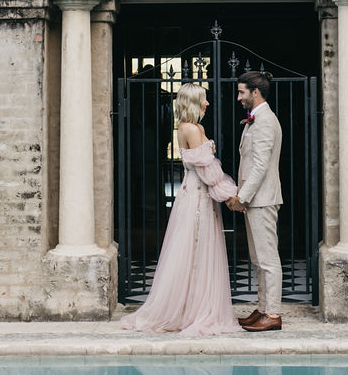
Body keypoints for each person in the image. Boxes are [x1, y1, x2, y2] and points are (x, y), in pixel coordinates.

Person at [121, 83, 241, 336]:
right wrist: (230, 194)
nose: (208, 104)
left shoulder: (197, 128)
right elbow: (207, 170)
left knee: (199, 250)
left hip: (199, 194)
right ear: (194, 103)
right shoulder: (190, 129)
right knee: (194, 249)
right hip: (197, 196)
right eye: (204, 100)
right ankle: (192, 310)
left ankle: (193, 305)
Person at [226, 70, 283, 332]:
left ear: (255, 92)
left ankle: (272, 313)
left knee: (268, 258)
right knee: (258, 258)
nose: (239, 98)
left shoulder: (265, 121)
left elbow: (260, 165)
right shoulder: (256, 120)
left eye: (241, 92)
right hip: (255, 200)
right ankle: (262, 308)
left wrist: (242, 196)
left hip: (262, 199)